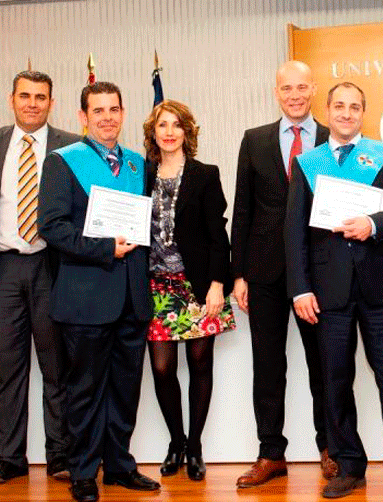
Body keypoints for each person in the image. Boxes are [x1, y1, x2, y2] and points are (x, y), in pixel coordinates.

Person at [285, 82, 383, 500]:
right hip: (327, 291)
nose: (347, 113)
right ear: (327, 110)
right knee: (334, 380)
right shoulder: (307, 163)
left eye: (355, 107)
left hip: (380, 285)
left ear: (364, 112)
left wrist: (374, 223)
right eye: (340, 106)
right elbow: (294, 232)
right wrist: (300, 289)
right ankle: (348, 465)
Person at [38, 82, 159, 502]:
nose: (107, 117)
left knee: (126, 388)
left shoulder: (137, 164)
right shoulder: (62, 162)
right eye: (98, 110)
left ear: (123, 114)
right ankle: (84, 472)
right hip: (86, 296)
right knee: (85, 390)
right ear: (83, 117)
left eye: (114, 109)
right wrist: (105, 248)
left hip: (132, 295)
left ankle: (120, 466)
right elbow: (52, 227)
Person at [231, 60, 335, 487]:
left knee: (324, 364)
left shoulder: (333, 140)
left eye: (301, 87)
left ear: (312, 90)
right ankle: (271, 453)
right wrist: (240, 275)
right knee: (268, 366)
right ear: (276, 93)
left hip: (318, 272)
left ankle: (331, 448)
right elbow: (242, 210)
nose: (294, 95)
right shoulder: (254, 141)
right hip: (265, 273)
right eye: (286, 88)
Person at [143, 100, 234, 482]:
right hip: (154, 287)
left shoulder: (205, 174)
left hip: (197, 286)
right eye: (162, 125)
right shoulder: (139, 174)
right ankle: (175, 442)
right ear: (153, 133)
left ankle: (194, 446)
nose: (169, 131)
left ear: (187, 132)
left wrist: (218, 285)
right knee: (163, 369)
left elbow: (218, 235)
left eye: (176, 125)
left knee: (200, 365)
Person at [0, 70, 79, 483]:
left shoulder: (72, 147)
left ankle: (61, 456)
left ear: (52, 102)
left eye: (41, 97)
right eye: (25, 96)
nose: (33, 103)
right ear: (12, 99)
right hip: (6, 268)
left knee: (56, 366)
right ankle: (8, 458)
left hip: (53, 267)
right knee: (6, 367)